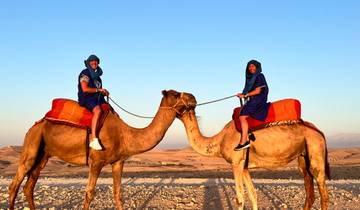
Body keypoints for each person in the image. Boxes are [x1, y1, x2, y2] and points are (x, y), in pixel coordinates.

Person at [234, 60, 270, 151]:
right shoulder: (251, 78)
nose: (251, 68)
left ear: (257, 67)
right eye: (249, 67)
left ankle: (244, 142)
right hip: (253, 99)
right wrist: (243, 95)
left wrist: (245, 95)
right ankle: (248, 133)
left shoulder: (259, 76)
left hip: (258, 99)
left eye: (253, 66)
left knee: (242, 117)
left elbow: (258, 91)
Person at [78, 55, 109, 150]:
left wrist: (104, 93)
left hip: (96, 99)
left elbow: (98, 92)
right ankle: (94, 139)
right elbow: (85, 89)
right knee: (98, 111)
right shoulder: (85, 73)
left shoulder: (98, 78)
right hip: (86, 98)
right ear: (88, 63)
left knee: (110, 111)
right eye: (92, 61)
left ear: (98, 63)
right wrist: (99, 90)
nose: (94, 63)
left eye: (96, 61)